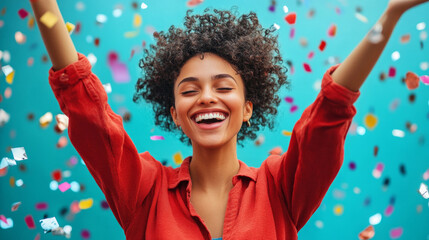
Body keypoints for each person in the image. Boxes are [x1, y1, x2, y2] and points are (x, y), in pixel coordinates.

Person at [29, 0, 428, 239]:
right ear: (176, 116)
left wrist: (391, 14)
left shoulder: (281, 188)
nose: (206, 98)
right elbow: (88, 110)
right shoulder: (144, 190)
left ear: (248, 107)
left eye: (223, 86)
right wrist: (43, 6)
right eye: (189, 90)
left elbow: (329, 113)